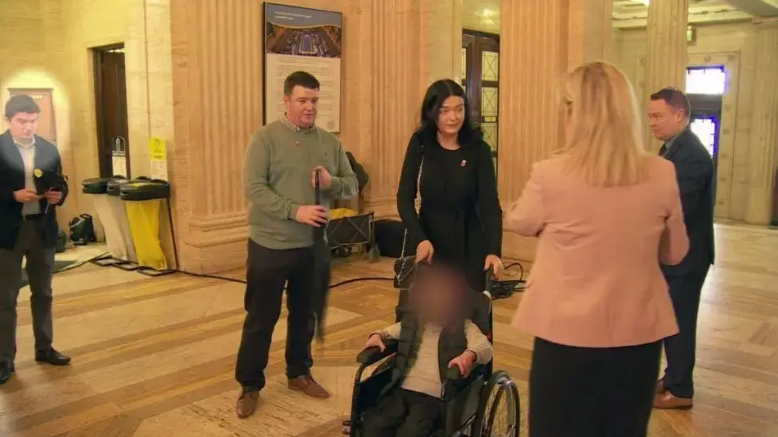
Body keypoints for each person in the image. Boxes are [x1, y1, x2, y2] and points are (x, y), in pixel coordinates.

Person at [505, 62, 689, 437]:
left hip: (565, 338)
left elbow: (520, 221)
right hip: (637, 336)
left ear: (575, 113)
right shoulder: (661, 172)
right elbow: (676, 252)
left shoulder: (551, 174)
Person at [235, 71, 359, 418]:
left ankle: (298, 372)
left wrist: (330, 180)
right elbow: (254, 189)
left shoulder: (329, 142)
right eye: (302, 100)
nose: (309, 107)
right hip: (269, 245)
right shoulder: (264, 139)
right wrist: (296, 211)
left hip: (311, 248)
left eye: (315, 101)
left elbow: (352, 184)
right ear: (286, 101)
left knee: (305, 315)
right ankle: (249, 384)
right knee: (262, 317)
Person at [396, 79, 503, 297]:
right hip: (430, 241)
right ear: (432, 113)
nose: (453, 117)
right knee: (424, 316)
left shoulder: (478, 149)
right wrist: (420, 239)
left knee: (467, 318)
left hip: (469, 242)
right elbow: (404, 198)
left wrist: (494, 250)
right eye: (444, 111)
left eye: (458, 109)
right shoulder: (421, 143)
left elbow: (490, 205)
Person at [360, 264, 493, 437]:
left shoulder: (464, 327)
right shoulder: (413, 324)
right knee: (373, 427)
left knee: (410, 433)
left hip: (433, 397)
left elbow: (485, 347)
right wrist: (378, 335)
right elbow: (391, 331)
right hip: (401, 391)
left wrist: (469, 355)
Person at [648, 87, 715, 410]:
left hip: (686, 256)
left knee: (679, 321)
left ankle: (681, 389)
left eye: (657, 116)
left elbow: (678, 206)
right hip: (673, 254)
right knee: (669, 317)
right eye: (649, 116)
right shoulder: (672, 149)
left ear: (679, 115)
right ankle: (673, 375)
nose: (652, 123)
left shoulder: (693, 155)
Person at [0, 94, 71, 385]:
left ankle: (45, 348)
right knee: (5, 298)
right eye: (22, 122)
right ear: (7, 121)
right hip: (8, 232)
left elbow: (61, 181)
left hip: (41, 228)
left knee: (43, 293)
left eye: (32, 121)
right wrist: (12, 196)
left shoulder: (47, 148)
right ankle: (5, 359)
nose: (28, 127)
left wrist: (59, 195)